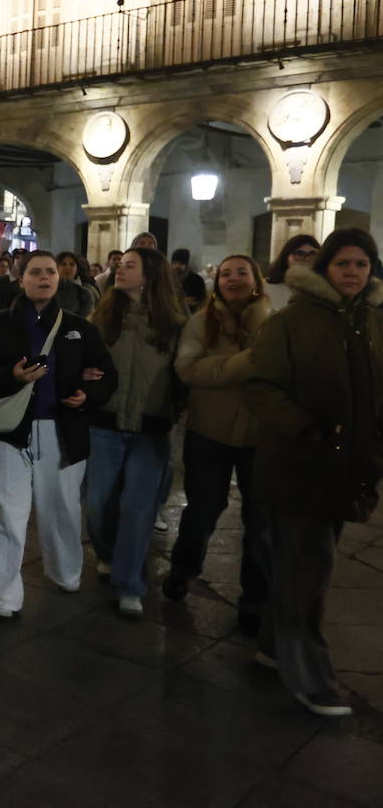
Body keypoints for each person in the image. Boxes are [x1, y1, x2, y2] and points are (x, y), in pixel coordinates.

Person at [245, 229, 383, 718]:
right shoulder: (293, 320)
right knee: (310, 567)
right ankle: (310, 675)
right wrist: (307, 430)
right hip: (299, 465)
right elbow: (261, 386)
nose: (352, 273)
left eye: (362, 265)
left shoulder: (370, 320)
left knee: (303, 564)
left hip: (350, 464)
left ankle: (270, 646)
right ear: (325, 267)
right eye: (344, 263)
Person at [0, 251, 117, 618]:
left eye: (50, 272)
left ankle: (66, 572)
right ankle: (5, 592)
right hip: (12, 432)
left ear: (59, 279)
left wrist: (88, 395)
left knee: (63, 508)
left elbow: (106, 374)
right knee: (8, 511)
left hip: (63, 431)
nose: (44, 277)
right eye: (35, 272)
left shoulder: (79, 328)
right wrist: (12, 377)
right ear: (20, 279)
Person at [163, 255, 272, 636]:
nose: (233, 279)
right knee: (203, 509)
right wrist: (248, 363)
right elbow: (189, 369)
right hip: (209, 431)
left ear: (256, 279)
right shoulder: (201, 322)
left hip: (261, 435)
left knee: (261, 521)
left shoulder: (274, 323)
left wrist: (226, 368)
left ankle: (255, 598)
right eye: (226, 273)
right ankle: (183, 568)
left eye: (242, 272)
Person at [85, 247, 186, 616]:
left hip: (151, 428)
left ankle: (130, 584)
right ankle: (111, 553)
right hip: (105, 425)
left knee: (138, 507)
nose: (119, 269)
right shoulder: (100, 316)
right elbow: (82, 357)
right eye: (119, 264)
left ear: (150, 275)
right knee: (98, 503)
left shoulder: (174, 322)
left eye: (129, 266)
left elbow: (184, 369)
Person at [262, 234, 320, 310]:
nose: (306, 258)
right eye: (299, 254)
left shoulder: (324, 292)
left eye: (312, 254)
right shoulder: (266, 289)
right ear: (286, 258)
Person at [55, 250, 95, 317]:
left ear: (77, 269)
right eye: (63, 264)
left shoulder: (84, 293)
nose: (68, 267)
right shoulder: (48, 290)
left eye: (72, 264)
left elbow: (84, 319)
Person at [171, 248, 208, 312]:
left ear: (186, 264)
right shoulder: (168, 279)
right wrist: (182, 301)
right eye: (174, 263)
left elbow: (200, 301)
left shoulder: (197, 280)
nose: (176, 266)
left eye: (180, 263)